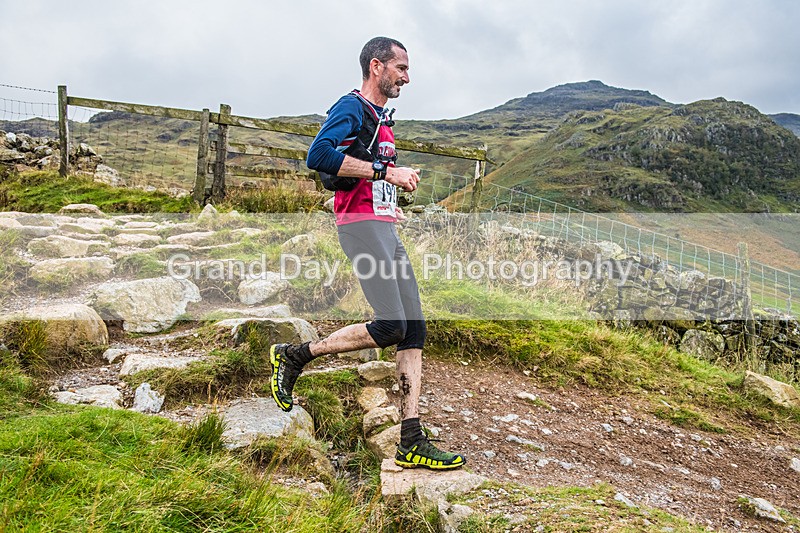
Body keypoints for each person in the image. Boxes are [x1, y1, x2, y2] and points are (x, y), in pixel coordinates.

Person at [269, 36, 466, 470]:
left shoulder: (382, 119)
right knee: (392, 324)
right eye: (401, 68)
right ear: (377, 66)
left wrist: (393, 184)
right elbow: (317, 155)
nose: (407, 77)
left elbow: (373, 169)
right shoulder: (352, 106)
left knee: (414, 328)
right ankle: (295, 355)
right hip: (358, 226)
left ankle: (411, 438)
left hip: (385, 226)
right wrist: (386, 171)